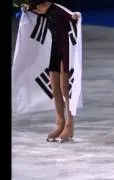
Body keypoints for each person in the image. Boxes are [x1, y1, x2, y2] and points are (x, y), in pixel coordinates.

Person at [21, 0, 80, 142]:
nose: (37, 11)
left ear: (44, 4)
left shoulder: (58, 11)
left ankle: (69, 125)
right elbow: (31, 12)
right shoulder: (43, 12)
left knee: (65, 89)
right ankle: (60, 123)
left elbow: (72, 16)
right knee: (55, 90)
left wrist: (76, 16)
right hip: (54, 52)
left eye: (37, 8)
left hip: (65, 53)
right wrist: (26, 8)